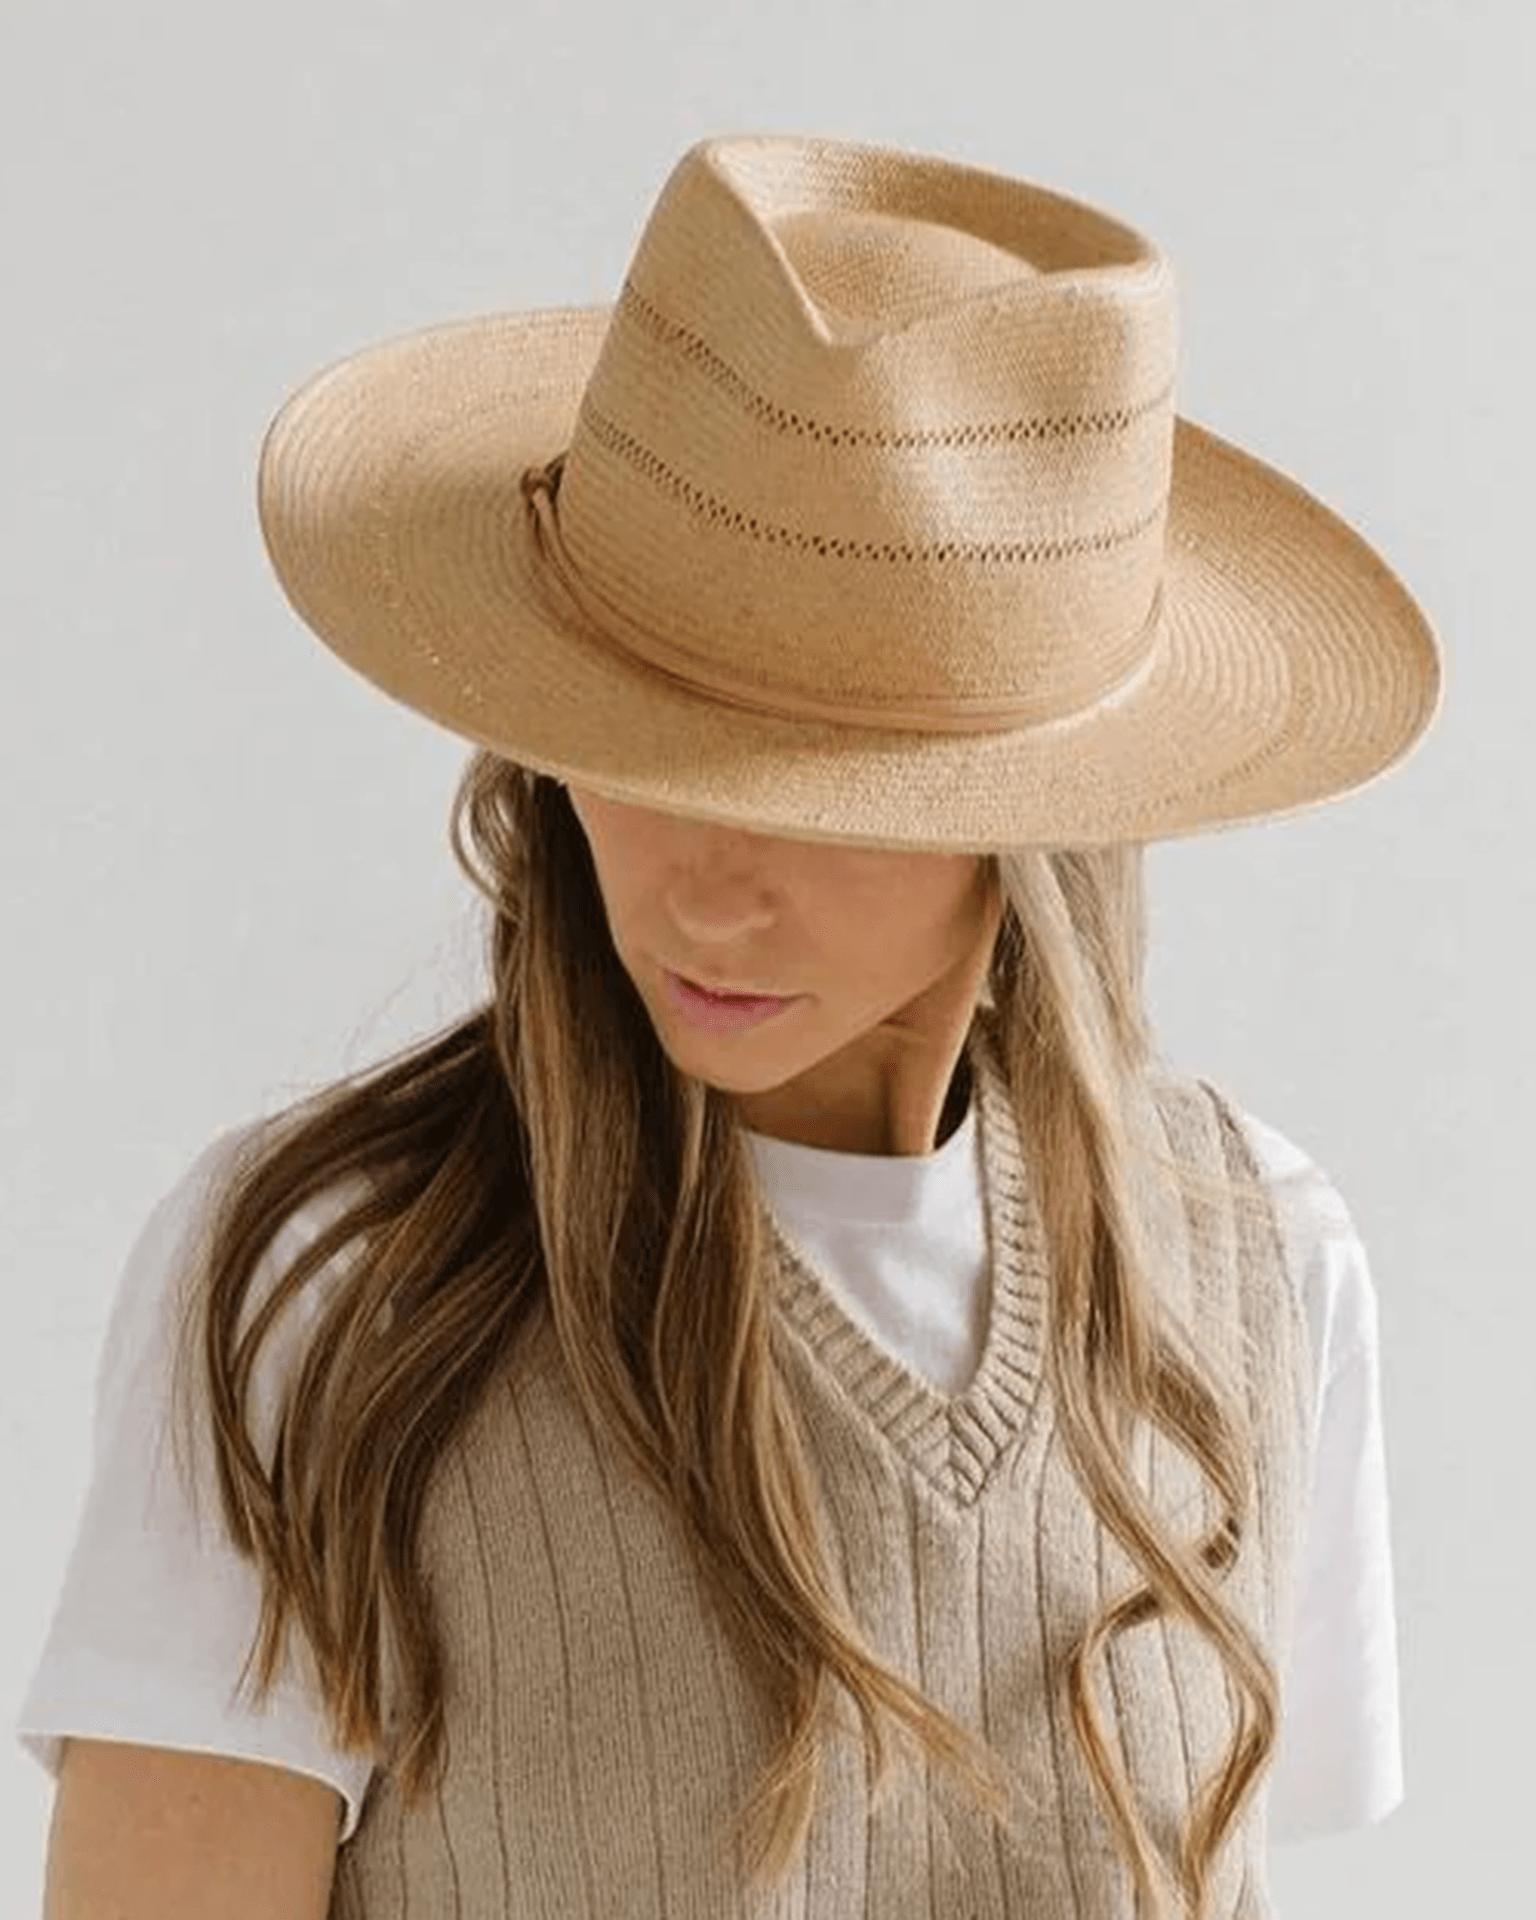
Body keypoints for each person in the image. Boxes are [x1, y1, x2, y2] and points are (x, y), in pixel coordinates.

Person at [18, 133, 1439, 1919]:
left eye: (816, 789)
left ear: (1030, 806)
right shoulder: (333, 1284)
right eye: (635, 749)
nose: (701, 890)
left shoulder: (1252, 1264)